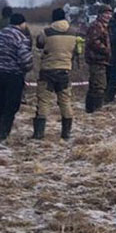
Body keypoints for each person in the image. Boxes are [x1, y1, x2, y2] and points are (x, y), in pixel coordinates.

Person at [0, 12, 32, 142]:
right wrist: (27, 68)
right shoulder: (21, 37)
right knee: (11, 104)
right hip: (14, 74)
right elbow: (25, 59)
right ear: (22, 23)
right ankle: (4, 132)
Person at [35, 8, 76, 140]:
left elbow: (39, 44)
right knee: (65, 101)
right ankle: (66, 133)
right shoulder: (73, 32)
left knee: (44, 101)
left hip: (48, 71)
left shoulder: (46, 32)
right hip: (64, 70)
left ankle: (39, 134)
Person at [84, 5, 113, 112]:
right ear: (100, 14)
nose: (108, 16)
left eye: (110, 14)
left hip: (101, 60)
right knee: (99, 86)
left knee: (94, 85)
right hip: (96, 59)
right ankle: (96, 109)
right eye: (106, 14)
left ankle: (90, 109)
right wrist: (106, 50)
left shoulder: (104, 26)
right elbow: (93, 41)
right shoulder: (96, 26)